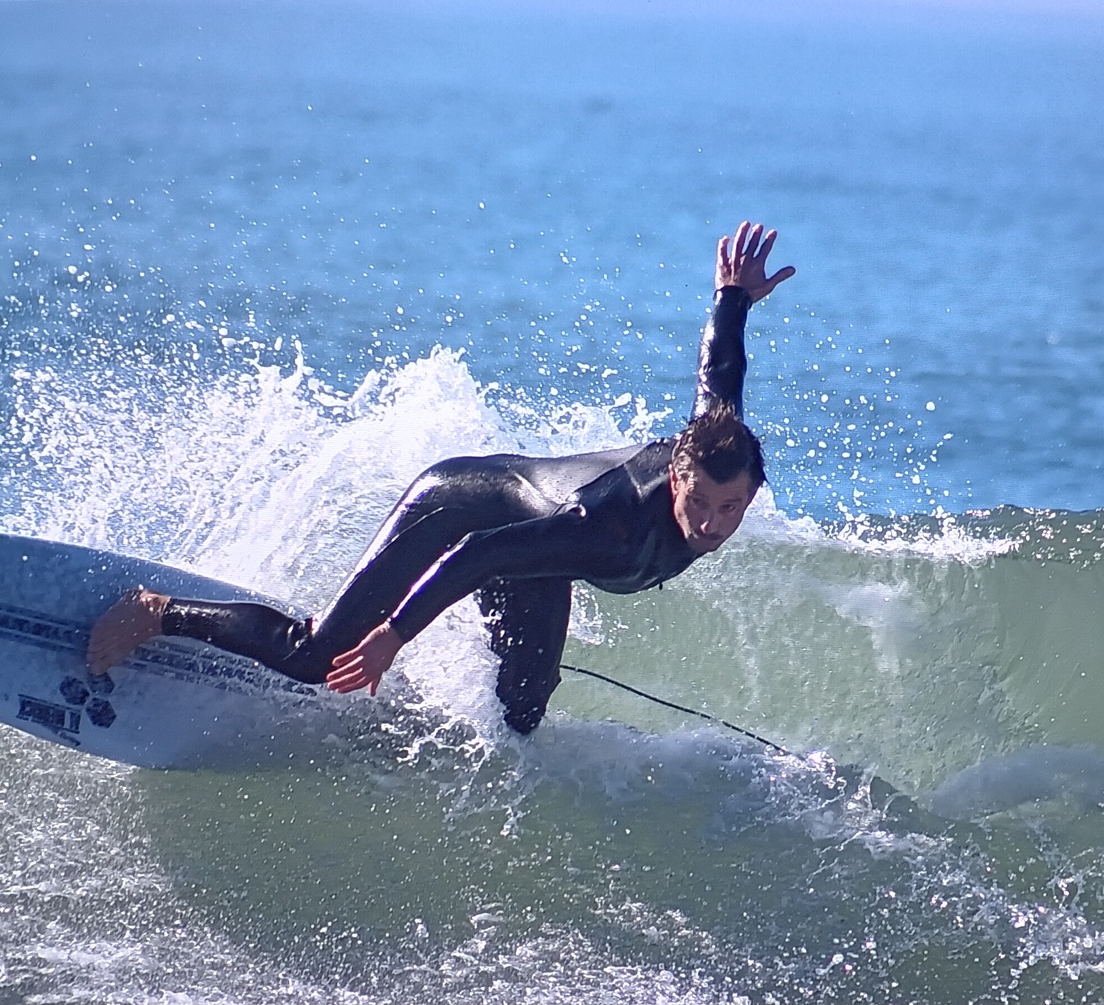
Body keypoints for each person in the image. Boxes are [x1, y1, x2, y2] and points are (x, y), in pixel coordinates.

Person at [86, 221, 795, 733]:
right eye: (699, 503)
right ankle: (157, 611)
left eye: (730, 508)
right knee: (317, 657)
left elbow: (720, 369)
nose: (710, 524)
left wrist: (732, 297)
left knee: (524, 709)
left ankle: (420, 728)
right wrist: (392, 636)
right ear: (677, 477)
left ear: (750, 491)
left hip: (537, 550)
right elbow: (477, 553)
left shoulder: (720, 442)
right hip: (458, 510)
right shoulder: (609, 528)